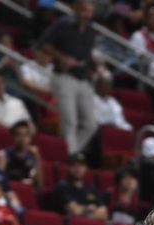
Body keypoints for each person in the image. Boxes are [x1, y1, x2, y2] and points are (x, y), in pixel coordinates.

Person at [40, 0, 98, 153]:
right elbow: (44, 44)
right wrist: (62, 58)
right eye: (84, 9)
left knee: (91, 124)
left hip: (83, 78)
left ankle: (70, 153)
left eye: (89, 10)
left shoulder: (91, 31)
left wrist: (93, 65)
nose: (86, 13)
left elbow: (86, 55)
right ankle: (70, 157)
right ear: (76, 9)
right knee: (70, 121)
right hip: (64, 76)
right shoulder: (64, 24)